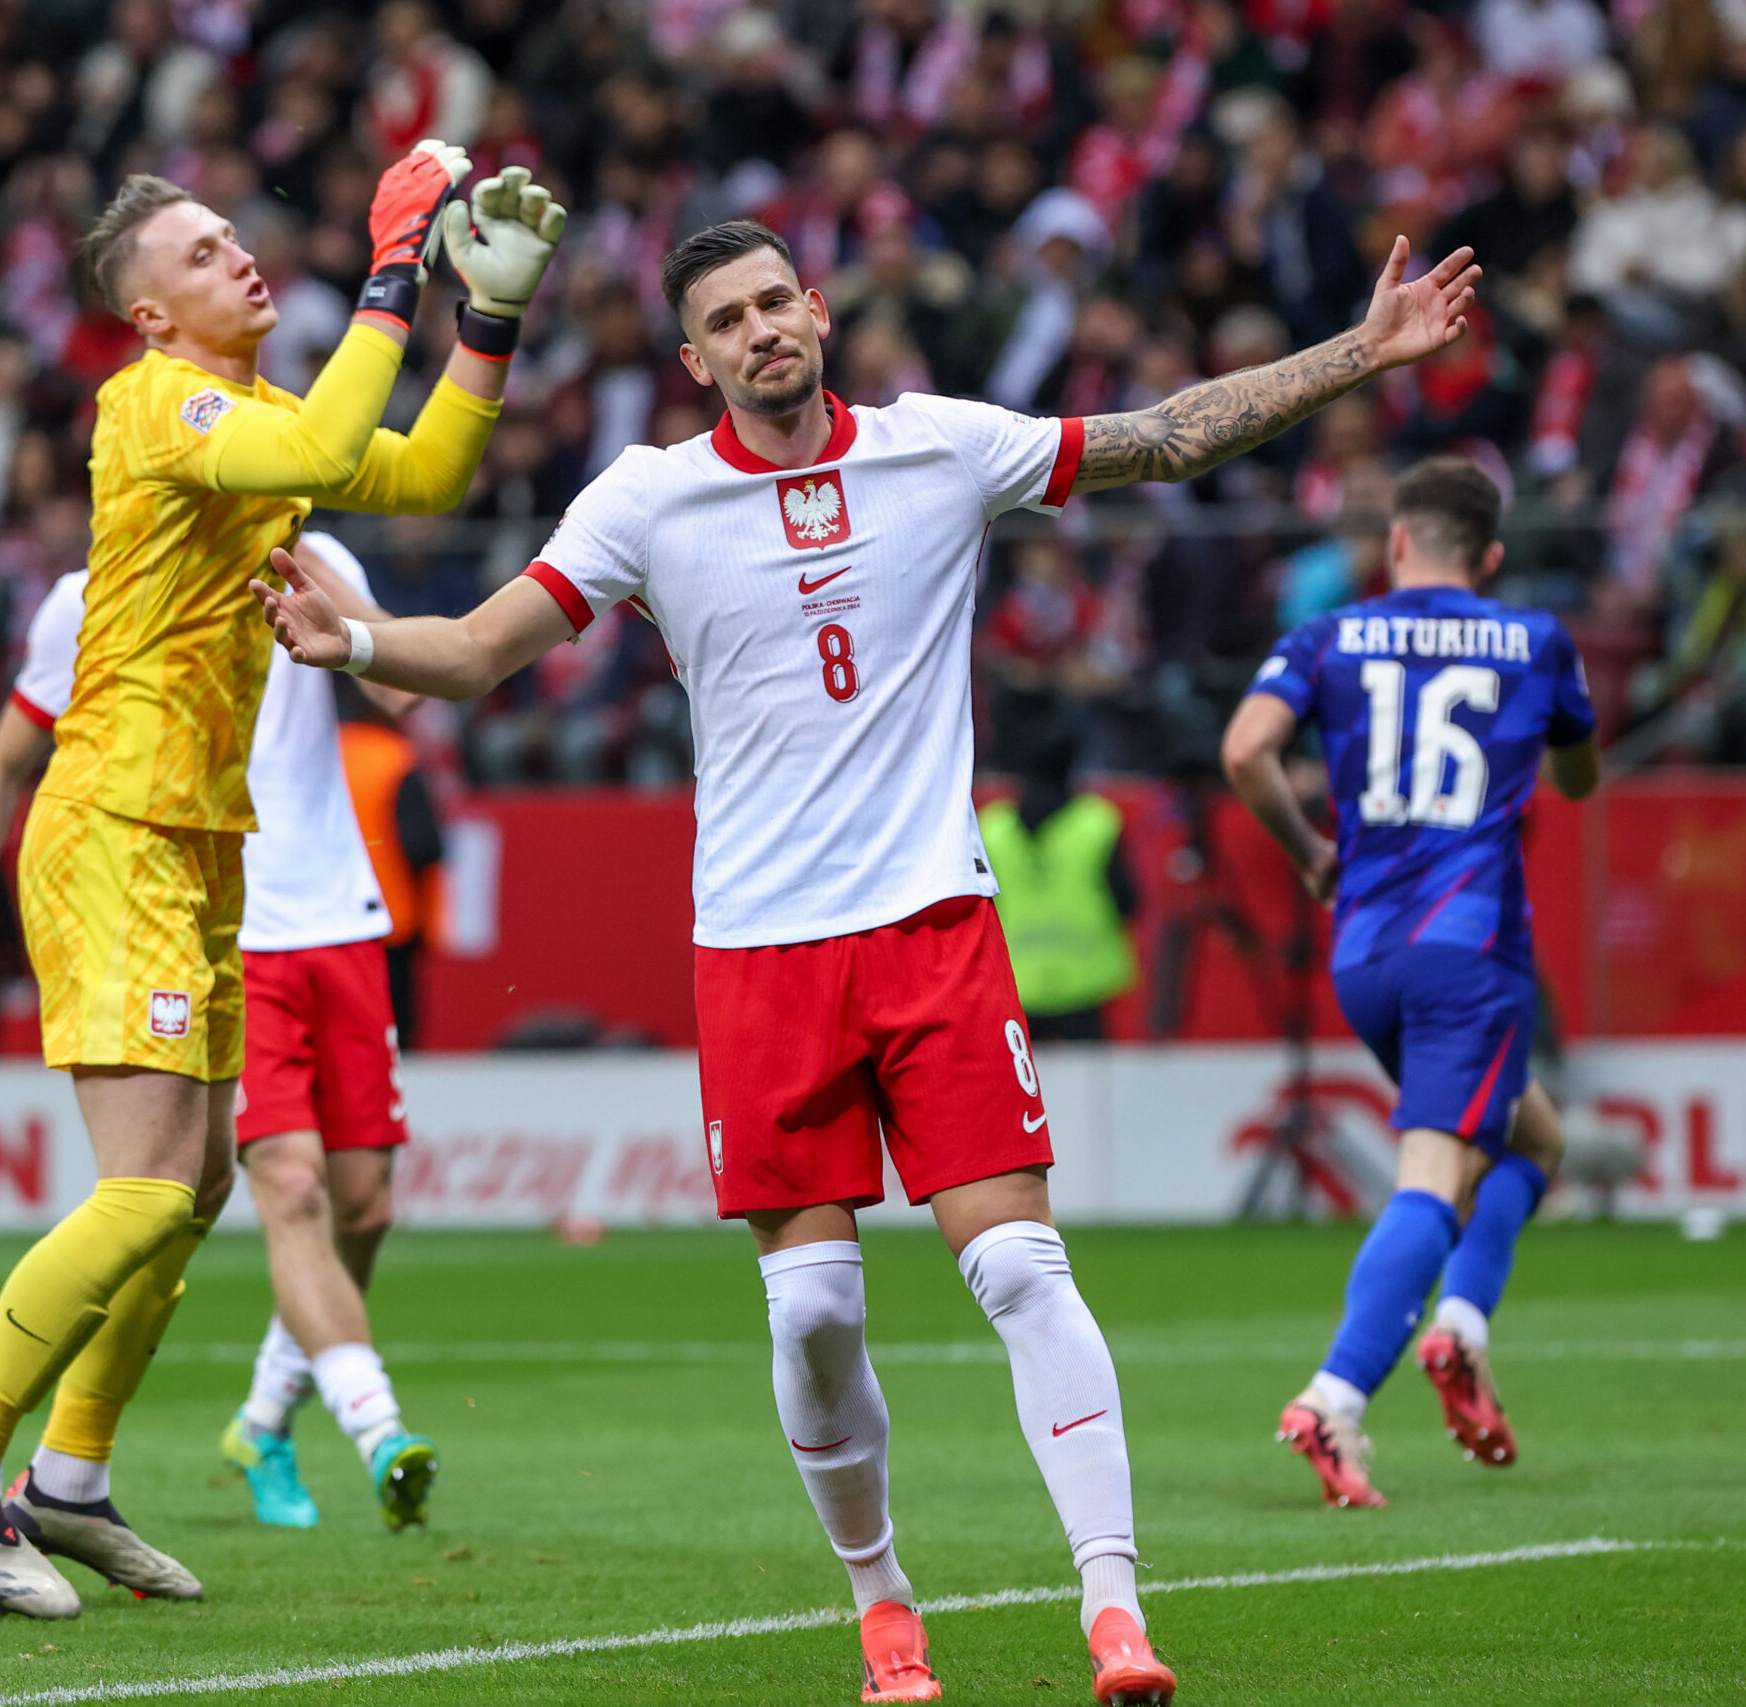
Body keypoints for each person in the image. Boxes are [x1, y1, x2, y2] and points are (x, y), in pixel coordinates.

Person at [254, 216, 1480, 1705]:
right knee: (813, 1309)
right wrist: (359, 640)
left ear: (819, 311)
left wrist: (1363, 348)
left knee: (1022, 1263)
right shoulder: (647, 499)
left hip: (932, 927)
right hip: (761, 953)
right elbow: (480, 649)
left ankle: (1115, 1610)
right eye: (729, 316)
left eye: (780, 299)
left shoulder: (941, 447)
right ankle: (882, 1600)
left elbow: (1163, 440)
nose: (764, 328)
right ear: (695, 356)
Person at [0, 142, 567, 1621]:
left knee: (193, 1189)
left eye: (232, 237)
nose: (238, 259)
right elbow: (330, 457)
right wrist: (394, 270)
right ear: (146, 317)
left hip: (199, 841)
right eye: (198, 254)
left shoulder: (251, 413)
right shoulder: (157, 407)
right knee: (144, 1188)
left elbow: (425, 471)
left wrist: (485, 322)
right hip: (116, 822)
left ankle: (68, 1483)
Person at [0, 532, 437, 1538]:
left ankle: (260, 1422)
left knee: (363, 1210)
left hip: (340, 917)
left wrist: (322, 590)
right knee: (280, 1185)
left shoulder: (313, 551)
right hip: (217, 927)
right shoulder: (85, 602)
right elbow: (1, 764)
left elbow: (401, 692)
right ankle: (380, 1431)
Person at [1219, 459, 1600, 1510]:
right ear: (1491, 558)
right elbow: (1578, 775)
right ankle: (1332, 1400)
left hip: (1364, 950)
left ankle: (1459, 1334)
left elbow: (1247, 748)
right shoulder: (1533, 639)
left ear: (1395, 545)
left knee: (1533, 1141)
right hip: (1466, 951)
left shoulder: (1330, 635)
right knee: (1434, 1176)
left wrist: (1306, 848)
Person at [978, 720, 1139, 1043]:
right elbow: (1128, 902)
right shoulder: (1098, 821)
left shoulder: (991, 827)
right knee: (1092, 1089)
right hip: (1085, 978)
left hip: (1015, 980)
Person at [338, 713, 443, 1046]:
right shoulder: (396, 759)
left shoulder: (327, 752)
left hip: (326, 921)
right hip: (388, 920)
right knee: (393, 1040)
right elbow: (423, 846)